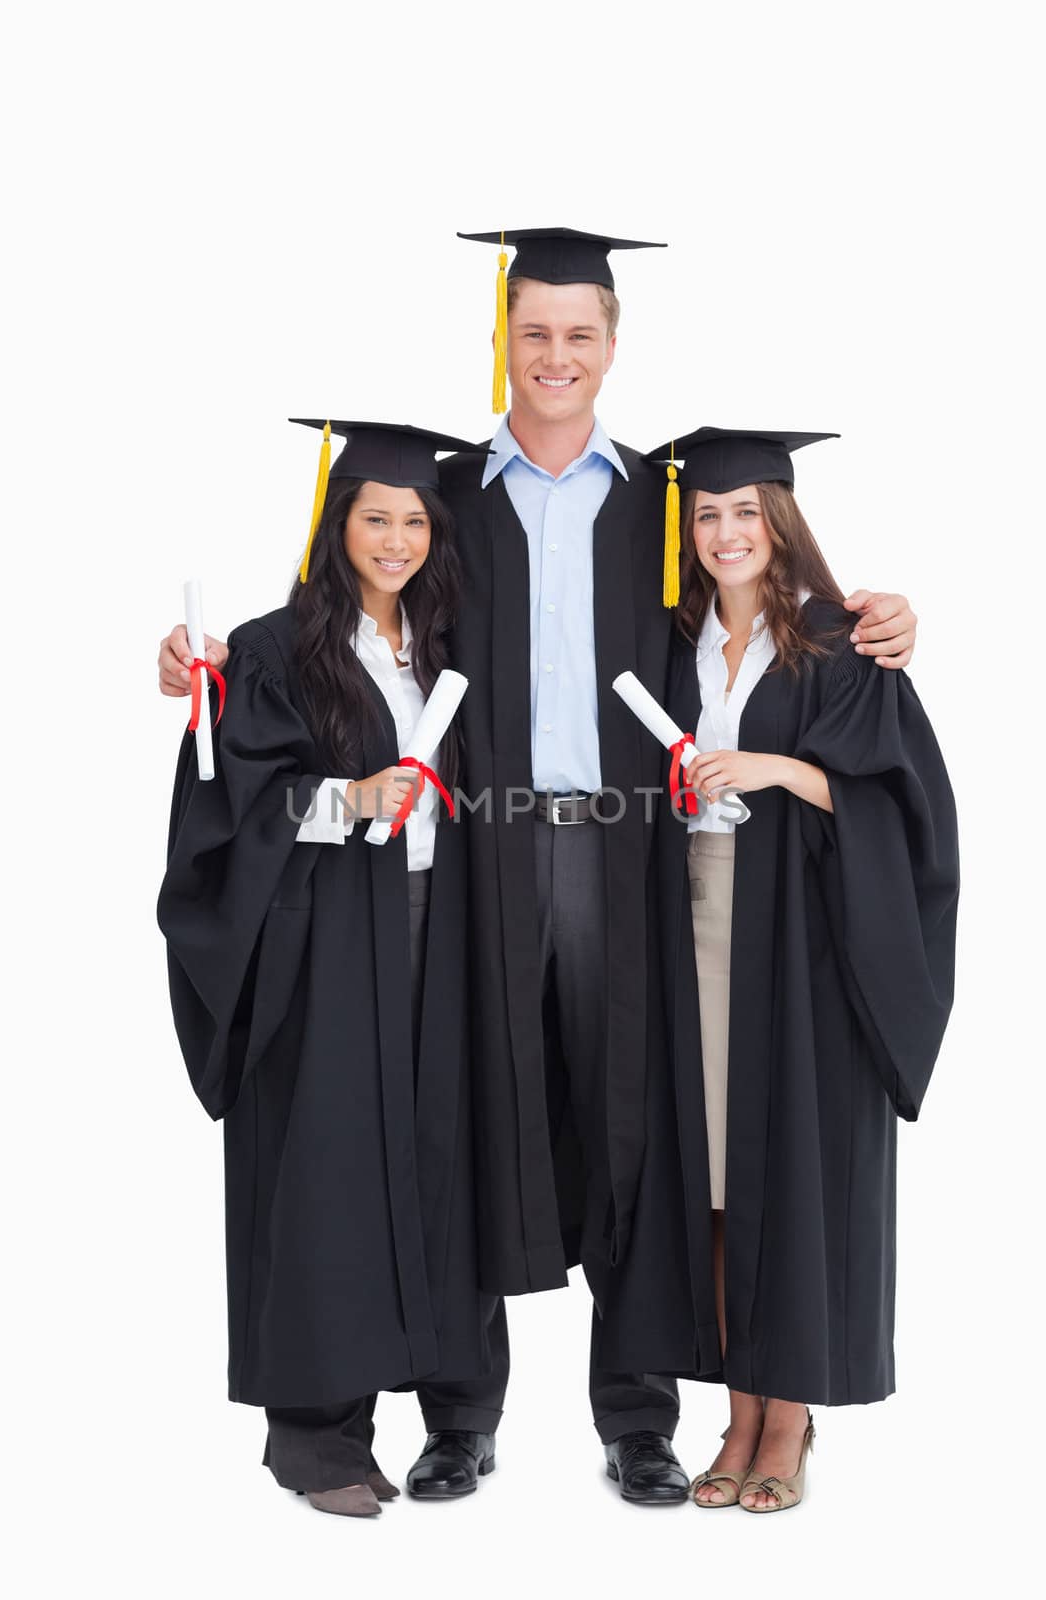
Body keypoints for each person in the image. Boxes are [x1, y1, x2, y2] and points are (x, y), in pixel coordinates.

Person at [158, 227, 922, 1503]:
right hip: (474, 856)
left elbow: (758, 595)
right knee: (468, 1108)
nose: (554, 354)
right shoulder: (445, 494)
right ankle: (462, 1413)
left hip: (638, 853)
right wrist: (192, 661)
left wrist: (883, 617)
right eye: (532, 331)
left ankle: (636, 1415)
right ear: (501, 337)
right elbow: (340, 619)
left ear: (614, 344)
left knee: (639, 1117)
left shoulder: (665, 503)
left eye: (579, 333)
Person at [595, 427, 958, 1512]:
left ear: (781, 521)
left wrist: (779, 769)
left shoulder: (841, 642)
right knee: (709, 1170)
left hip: (800, 941)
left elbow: (904, 807)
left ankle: (785, 1412)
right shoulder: (669, 646)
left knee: (789, 1162)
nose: (724, 532)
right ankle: (735, 1403)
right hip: (689, 929)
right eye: (705, 514)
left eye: (745, 511)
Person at [157, 421, 508, 1518]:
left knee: (451, 1155)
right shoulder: (269, 647)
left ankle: (462, 1418)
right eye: (374, 517)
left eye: (413, 519)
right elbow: (229, 809)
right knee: (325, 1163)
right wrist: (346, 799)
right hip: (322, 935)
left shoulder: (451, 643)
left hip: (444, 925)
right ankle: (319, 1436)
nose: (396, 539)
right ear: (337, 522)